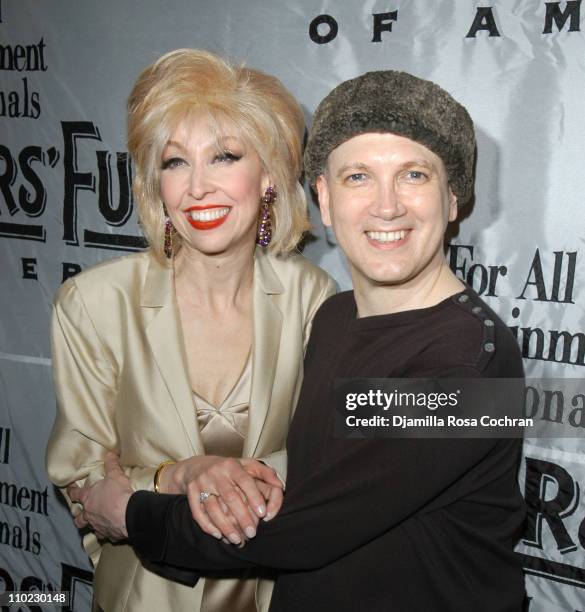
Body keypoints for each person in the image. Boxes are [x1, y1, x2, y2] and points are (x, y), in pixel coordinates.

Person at [69, 70, 527, 611]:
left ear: (453, 199)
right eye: (358, 177)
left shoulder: (472, 366)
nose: (387, 206)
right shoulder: (333, 316)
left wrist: (127, 512)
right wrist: (224, 477)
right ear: (325, 201)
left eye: (413, 175)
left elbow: (304, 529)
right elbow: (325, 469)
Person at [46, 49, 335, 612]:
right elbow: (84, 484)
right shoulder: (94, 303)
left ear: (270, 175)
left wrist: (230, 478)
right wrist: (177, 475)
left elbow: (325, 459)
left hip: (278, 595)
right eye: (175, 162)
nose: (198, 187)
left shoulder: (312, 298)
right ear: (156, 182)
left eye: (225, 156)